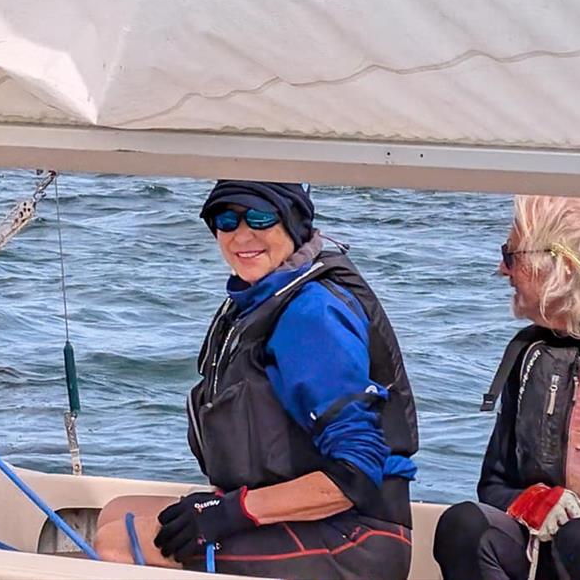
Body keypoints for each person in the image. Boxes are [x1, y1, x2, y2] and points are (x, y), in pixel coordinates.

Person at [94, 180, 419, 579]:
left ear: (294, 222)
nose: (241, 235)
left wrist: (234, 511)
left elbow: (355, 474)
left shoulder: (312, 315)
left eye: (261, 218)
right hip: (303, 521)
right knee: (116, 512)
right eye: (226, 220)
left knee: (120, 543)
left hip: (356, 539)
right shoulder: (264, 298)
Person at [434, 195, 580, 580]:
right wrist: (534, 501)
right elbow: (494, 485)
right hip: (557, 544)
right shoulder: (530, 355)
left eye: (511, 255)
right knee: (465, 526)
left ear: (561, 264)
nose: (502, 270)